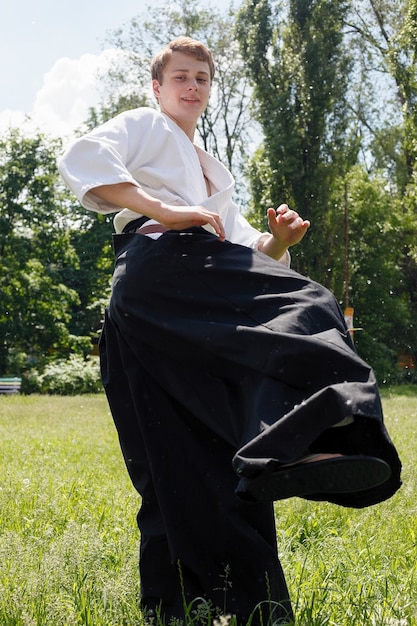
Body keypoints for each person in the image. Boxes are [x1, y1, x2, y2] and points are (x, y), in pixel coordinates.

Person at [58, 37, 401, 626]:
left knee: (185, 450)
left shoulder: (214, 171)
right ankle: (310, 436)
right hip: (164, 273)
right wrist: (164, 210)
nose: (192, 87)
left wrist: (280, 245)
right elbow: (83, 158)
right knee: (308, 301)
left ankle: (211, 607)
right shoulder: (146, 126)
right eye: (181, 77)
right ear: (157, 87)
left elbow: (244, 249)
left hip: (171, 298)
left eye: (203, 79)